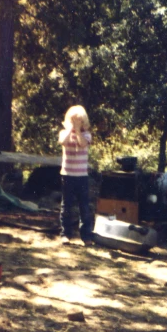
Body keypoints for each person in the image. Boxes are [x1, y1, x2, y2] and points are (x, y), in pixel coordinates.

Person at [58, 105, 94, 245]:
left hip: (82, 176)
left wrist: (78, 130)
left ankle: (86, 236)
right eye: (73, 120)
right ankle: (65, 234)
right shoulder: (64, 133)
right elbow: (62, 142)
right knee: (66, 205)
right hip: (67, 174)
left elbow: (82, 144)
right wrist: (70, 128)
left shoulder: (86, 135)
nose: (76, 123)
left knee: (84, 206)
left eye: (79, 120)